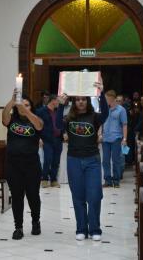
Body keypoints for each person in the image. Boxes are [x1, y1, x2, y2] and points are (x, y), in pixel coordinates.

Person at [56, 80, 108, 241]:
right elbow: (58, 125)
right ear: (74, 101)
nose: (80, 102)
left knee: (94, 196)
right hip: (74, 160)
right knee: (77, 196)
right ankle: (81, 228)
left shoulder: (95, 116)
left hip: (92, 159)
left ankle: (95, 229)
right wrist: (60, 105)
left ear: (87, 101)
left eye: (83, 99)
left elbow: (105, 114)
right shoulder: (69, 117)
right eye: (77, 99)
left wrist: (102, 95)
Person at [2, 91, 43, 240]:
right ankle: (18, 227)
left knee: (33, 196)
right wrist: (12, 101)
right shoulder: (12, 119)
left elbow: (39, 126)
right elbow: (4, 118)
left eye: (27, 105)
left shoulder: (36, 119)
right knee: (17, 197)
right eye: (22, 105)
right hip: (13, 165)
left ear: (31, 107)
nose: (24, 107)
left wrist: (26, 110)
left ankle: (35, 221)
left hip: (31, 165)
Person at [101, 90, 127, 188]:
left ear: (112, 99)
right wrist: (100, 134)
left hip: (117, 138)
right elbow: (101, 123)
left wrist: (125, 139)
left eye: (107, 99)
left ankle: (116, 181)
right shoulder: (105, 109)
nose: (105, 100)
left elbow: (124, 125)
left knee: (116, 160)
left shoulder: (121, 110)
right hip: (105, 138)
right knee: (105, 160)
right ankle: (107, 180)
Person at [36, 95, 62, 188]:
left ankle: (54, 180)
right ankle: (44, 178)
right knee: (48, 159)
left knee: (56, 160)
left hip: (58, 139)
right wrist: (39, 138)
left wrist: (65, 133)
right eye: (58, 101)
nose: (59, 103)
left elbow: (62, 123)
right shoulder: (40, 111)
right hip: (47, 139)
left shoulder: (59, 111)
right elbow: (36, 125)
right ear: (53, 101)